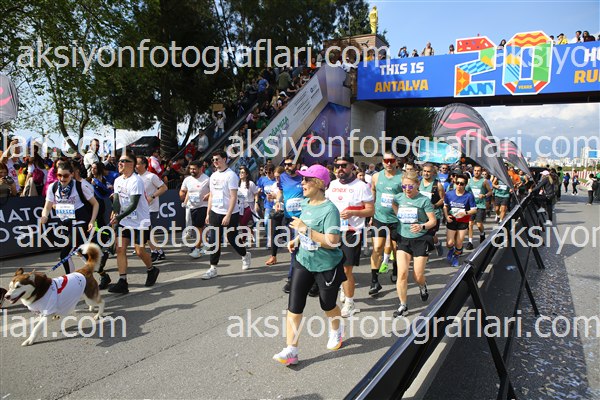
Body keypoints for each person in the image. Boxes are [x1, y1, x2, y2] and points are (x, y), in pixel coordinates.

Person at [272, 165, 346, 366]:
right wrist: (296, 240)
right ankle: (292, 350)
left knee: (327, 305)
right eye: (302, 179)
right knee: (294, 306)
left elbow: (333, 241)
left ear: (319, 183)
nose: (302, 183)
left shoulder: (330, 210)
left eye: (306, 180)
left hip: (326, 265)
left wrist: (305, 230)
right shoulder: (305, 203)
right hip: (303, 261)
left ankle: (336, 330)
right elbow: (304, 229)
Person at [326, 156, 374, 317]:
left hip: (352, 232)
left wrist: (353, 212)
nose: (339, 168)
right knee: (334, 266)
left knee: (347, 269)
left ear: (352, 166)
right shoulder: (332, 185)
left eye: (343, 165)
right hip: (333, 231)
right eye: (337, 165)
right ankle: (343, 287)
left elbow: (370, 210)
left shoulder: (361, 186)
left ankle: (350, 302)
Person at [107, 151, 159, 294]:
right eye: (119, 161)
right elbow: (117, 201)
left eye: (123, 161)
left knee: (139, 251)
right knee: (120, 249)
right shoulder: (118, 180)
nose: (120, 163)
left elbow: (133, 204)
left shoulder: (136, 181)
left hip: (140, 221)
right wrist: (115, 210)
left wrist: (119, 216)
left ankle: (152, 269)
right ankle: (122, 281)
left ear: (132, 164)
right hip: (124, 221)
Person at [40, 160, 99, 274]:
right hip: (66, 222)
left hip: (81, 221)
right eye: (59, 175)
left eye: (66, 175)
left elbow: (95, 204)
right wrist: (44, 216)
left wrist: (92, 221)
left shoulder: (80, 185)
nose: (62, 178)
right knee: (80, 251)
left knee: (65, 254)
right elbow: (47, 207)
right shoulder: (53, 187)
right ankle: (100, 271)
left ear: (72, 174)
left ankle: (71, 280)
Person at [391, 171, 437, 317]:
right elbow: (394, 203)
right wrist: (399, 215)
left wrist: (422, 226)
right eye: (404, 186)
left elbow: (433, 221)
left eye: (410, 186)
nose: (407, 189)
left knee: (418, 275)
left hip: (420, 239)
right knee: (402, 273)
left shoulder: (424, 200)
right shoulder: (398, 197)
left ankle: (422, 285)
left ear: (417, 184)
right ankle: (403, 305)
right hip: (403, 238)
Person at [201, 150, 251, 280]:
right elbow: (211, 195)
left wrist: (228, 215)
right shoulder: (213, 176)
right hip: (215, 212)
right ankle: (213, 268)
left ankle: (245, 255)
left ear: (224, 159)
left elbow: (233, 196)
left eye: (217, 159)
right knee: (214, 240)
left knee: (232, 238)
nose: (215, 162)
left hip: (230, 213)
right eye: (213, 160)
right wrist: (208, 213)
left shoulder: (231, 175)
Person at [371, 151, 403, 281]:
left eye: (391, 161)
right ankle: (374, 281)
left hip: (397, 219)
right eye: (386, 161)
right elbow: (373, 191)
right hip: (379, 217)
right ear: (383, 162)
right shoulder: (376, 176)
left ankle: (395, 270)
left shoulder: (402, 177)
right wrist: (371, 213)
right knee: (377, 247)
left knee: (396, 249)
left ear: (396, 162)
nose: (389, 163)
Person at [277, 156, 306, 293]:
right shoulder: (282, 177)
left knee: (299, 249)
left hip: (303, 219)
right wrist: (278, 201)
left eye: (290, 164)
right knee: (294, 249)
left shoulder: (304, 177)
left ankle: (292, 279)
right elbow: (280, 191)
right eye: (285, 164)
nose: (287, 167)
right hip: (289, 219)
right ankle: (296, 277)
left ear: (298, 165)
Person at [136, 156, 168, 262]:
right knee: (146, 232)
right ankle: (158, 251)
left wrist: (152, 197)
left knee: (147, 231)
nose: (135, 166)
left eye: (137, 163)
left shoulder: (151, 176)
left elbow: (164, 187)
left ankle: (156, 251)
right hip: (140, 209)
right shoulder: (135, 177)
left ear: (144, 164)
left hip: (151, 208)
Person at [444, 174, 477, 267]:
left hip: (463, 221)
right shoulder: (449, 194)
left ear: (465, 185)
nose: (459, 185)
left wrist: (465, 213)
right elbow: (445, 206)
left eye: (461, 184)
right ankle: (451, 250)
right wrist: (446, 216)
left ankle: (456, 256)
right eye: (457, 183)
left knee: (459, 242)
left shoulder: (469, 196)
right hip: (452, 220)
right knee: (449, 243)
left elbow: (474, 210)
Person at [180, 160, 210, 258]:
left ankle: (197, 249)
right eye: (191, 169)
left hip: (203, 206)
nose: (192, 171)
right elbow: (183, 190)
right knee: (200, 227)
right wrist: (182, 194)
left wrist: (209, 194)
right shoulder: (188, 179)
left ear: (201, 168)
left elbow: (215, 191)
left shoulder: (207, 179)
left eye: (194, 169)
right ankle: (206, 243)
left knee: (198, 228)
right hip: (192, 206)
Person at [419, 163, 445, 255]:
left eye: (428, 171)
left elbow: (443, 199)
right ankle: (432, 246)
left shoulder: (437, 185)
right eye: (424, 171)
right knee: (422, 234)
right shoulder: (418, 182)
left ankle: (432, 247)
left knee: (430, 235)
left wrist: (435, 205)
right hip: (421, 214)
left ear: (433, 173)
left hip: (434, 214)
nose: (426, 173)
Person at [466, 165, 493, 249]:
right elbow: (466, 191)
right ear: (473, 171)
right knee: (470, 224)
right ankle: (470, 242)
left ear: (481, 172)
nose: (476, 172)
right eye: (475, 170)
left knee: (478, 224)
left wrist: (484, 195)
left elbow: (490, 192)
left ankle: (482, 233)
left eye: (478, 171)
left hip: (480, 205)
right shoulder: (469, 181)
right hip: (471, 205)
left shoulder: (484, 181)